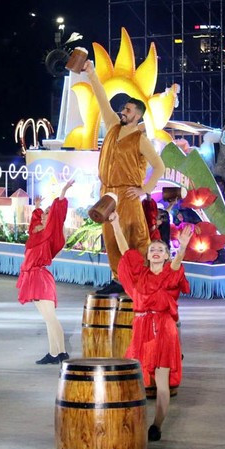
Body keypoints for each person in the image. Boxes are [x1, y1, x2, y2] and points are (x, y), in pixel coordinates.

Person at [82, 60, 166, 295]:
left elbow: (159, 166)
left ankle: (143, 278)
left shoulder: (140, 139)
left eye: (128, 110)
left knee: (134, 237)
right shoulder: (112, 126)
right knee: (110, 238)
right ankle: (118, 279)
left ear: (137, 116)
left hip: (128, 195)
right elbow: (102, 99)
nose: (123, 111)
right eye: (124, 108)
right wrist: (91, 73)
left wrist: (144, 189)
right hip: (108, 193)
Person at [109, 211, 193, 442]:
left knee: (162, 381)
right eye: (152, 249)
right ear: (147, 255)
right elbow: (126, 251)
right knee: (134, 375)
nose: (156, 251)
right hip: (142, 327)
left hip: (163, 328)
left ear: (166, 256)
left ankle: (156, 425)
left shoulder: (170, 273)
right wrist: (115, 224)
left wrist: (182, 247)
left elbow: (177, 264)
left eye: (161, 249)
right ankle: (130, 420)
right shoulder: (140, 274)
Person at [16, 180, 73, 364]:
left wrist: (63, 192)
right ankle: (57, 352)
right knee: (48, 318)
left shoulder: (51, 234)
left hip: (40, 278)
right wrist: (38, 207)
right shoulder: (36, 232)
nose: (43, 215)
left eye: (47, 213)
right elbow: (34, 222)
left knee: (50, 318)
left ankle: (58, 353)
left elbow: (58, 214)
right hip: (32, 277)